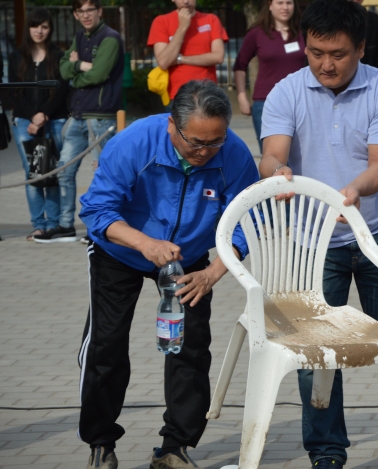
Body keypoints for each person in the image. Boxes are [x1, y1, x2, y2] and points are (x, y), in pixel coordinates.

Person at [259, 1, 378, 468]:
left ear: (360, 48)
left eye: (338, 53)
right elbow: (271, 154)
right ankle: (326, 452)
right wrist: (277, 172)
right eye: (316, 52)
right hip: (310, 244)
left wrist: (357, 188)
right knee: (314, 349)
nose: (326, 64)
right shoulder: (285, 91)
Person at [77, 80, 259, 469]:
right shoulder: (134, 143)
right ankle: (100, 443)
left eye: (215, 142)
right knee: (106, 344)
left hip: (190, 257)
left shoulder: (235, 155)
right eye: (195, 142)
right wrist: (144, 243)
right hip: (121, 251)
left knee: (188, 347)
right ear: (171, 127)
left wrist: (213, 272)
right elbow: (96, 211)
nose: (204, 153)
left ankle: (175, 446)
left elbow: (247, 219)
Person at [33, 0, 123, 243]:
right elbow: (63, 70)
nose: (85, 15)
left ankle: (102, 229)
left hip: (102, 118)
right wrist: (79, 65)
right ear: (75, 14)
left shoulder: (110, 38)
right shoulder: (79, 36)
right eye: (80, 11)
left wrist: (76, 76)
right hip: (78, 115)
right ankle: (65, 225)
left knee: (103, 175)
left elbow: (99, 74)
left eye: (90, 10)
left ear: (99, 11)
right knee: (64, 170)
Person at [8, 8, 70, 242]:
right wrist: (33, 116)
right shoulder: (17, 57)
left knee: (51, 171)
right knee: (34, 174)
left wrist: (43, 114)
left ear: (50, 29)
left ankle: (53, 224)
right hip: (24, 122)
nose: (39, 31)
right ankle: (38, 225)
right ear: (29, 29)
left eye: (44, 26)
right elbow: (15, 93)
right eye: (35, 26)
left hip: (54, 120)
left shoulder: (58, 55)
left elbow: (62, 89)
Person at [233, 0, 305, 150]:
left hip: (300, 101)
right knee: (272, 155)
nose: (285, 7)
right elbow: (240, 65)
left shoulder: (303, 32)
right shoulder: (257, 33)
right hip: (266, 102)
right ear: (270, 6)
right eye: (280, 3)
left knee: (300, 154)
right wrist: (241, 97)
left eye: (289, 3)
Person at [148, 0, 228, 106]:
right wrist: (182, 28)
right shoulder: (161, 21)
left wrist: (180, 59)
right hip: (178, 95)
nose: (186, 1)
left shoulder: (211, 19)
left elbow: (218, 56)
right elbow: (163, 62)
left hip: (208, 92)